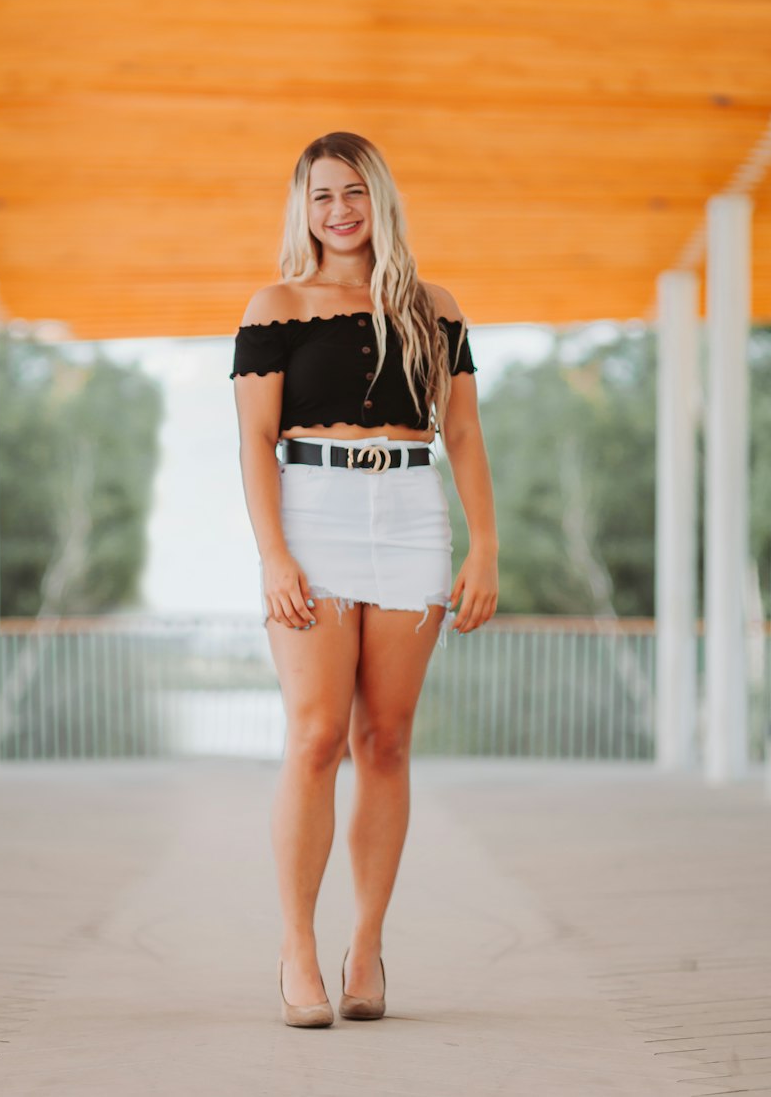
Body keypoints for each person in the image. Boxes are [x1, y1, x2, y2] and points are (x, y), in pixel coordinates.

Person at [230, 131, 499, 1028]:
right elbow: (254, 443)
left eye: (353, 192)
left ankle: (367, 946)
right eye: (321, 196)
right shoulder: (276, 305)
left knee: (384, 740)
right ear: (302, 210)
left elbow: (461, 434)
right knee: (315, 737)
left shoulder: (434, 307)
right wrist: (274, 553)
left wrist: (484, 546)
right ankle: (298, 951)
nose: (339, 211)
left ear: (379, 199)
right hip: (313, 515)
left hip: (412, 518)